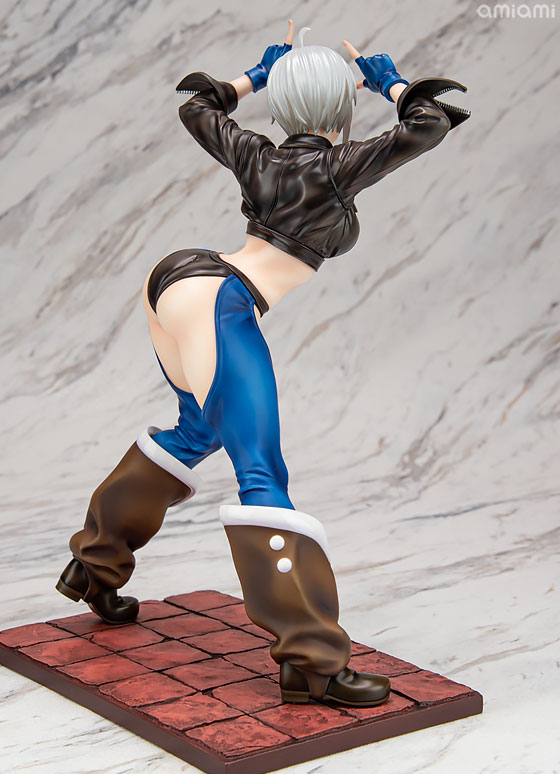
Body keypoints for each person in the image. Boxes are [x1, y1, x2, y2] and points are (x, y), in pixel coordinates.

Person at [56, 21, 469, 706]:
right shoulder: (339, 165)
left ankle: (94, 565)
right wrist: (389, 82)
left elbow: (197, 107)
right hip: (222, 301)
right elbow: (427, 125)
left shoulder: (258, 154)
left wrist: (255, 74)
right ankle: (311, 661)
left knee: (196, 430)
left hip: (180, 277)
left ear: (283, 105)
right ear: (339, 107)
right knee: (261, 473)